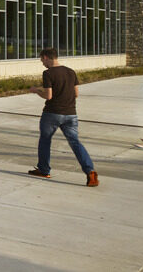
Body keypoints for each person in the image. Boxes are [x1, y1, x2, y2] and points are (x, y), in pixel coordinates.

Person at [27, 47, 98, 185]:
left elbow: (49, 96)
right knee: (75, 143)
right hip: (71, 114)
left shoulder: (48, 73)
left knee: (45, 140)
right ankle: (90, 172)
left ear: (46, 57)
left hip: (52, 113)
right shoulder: (71, 72)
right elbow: (76, 93)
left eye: (42, 59)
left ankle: (44, 170)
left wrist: (36, 91)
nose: (42, 63)